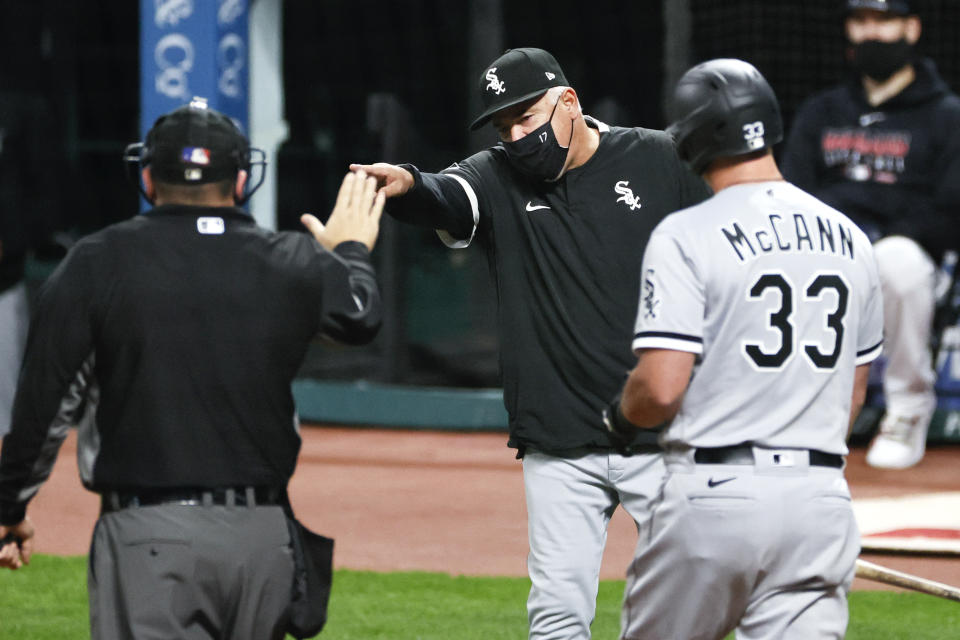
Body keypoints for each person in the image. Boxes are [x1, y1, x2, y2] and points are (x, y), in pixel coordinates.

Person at [353, 47, 710, 640]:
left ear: (568, 102)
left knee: (688, 604)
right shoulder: (495, 175)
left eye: (526, 117)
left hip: (662, 432)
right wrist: (409, 185)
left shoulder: (656, 157)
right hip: (558, 436)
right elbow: (446, 196)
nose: (517, 136)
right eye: (503, 125)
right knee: (556, 614)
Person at [0, 97, 385, 640]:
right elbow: (360, 315)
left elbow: (44, 402)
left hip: (148, 537)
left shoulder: (96, 261)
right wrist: (348, 249)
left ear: (149, 178)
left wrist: (11, 504)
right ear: (241, 179)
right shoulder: (292, 260)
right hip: (263, 538)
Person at [605, 58, 884, 640]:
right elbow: (851, 395)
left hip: (715, 496)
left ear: (690, 142)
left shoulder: (687, 233)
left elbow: (659, 386)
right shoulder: (852, 239)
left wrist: (619, 417)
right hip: (820, 501)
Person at [781, 0, 960, 469]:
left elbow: (949, 209)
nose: (871, 34)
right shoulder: (821, 111)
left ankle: (908, 409)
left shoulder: (946, 114)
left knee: (894, 261)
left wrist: (876, 235)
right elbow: (790, 192)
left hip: (916, 257)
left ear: (912, 28)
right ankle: (796, 412)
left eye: (884, 22)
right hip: (828, 246)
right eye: (861, 22)